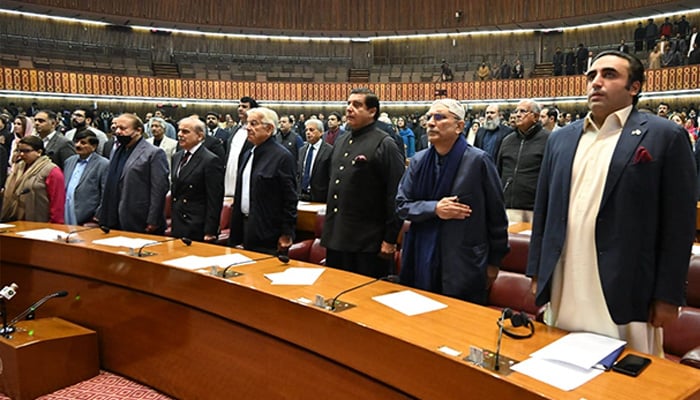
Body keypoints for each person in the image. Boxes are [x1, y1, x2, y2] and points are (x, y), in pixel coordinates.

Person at [527, 51, 696, 356]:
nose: (596, 82)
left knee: (630, 375)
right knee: (562, 364)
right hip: (566, 277)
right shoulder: (561, 139)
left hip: (627, 281)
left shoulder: (664, 136)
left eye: (609, 75)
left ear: (634, 87)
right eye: (591, 76)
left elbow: (679, 225)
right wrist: (538, 270)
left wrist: (669, 294)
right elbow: (544, 210)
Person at [396, 99, 509, 304]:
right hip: (421, 255)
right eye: (429, 117)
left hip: (462, 261)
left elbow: (497, 216)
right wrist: (434, 208)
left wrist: (494, 263)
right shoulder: (419, 161)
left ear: (459, 126)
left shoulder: (478, 161)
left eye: (439, 117)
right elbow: (402, 205)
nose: (431, 122)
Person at [321, 88, 405, 278]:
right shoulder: (341, 141)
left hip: (367, 243)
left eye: (357, 105)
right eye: (348, 104)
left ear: (372, 111)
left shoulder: (385, 143)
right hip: (336, 236)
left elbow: (395, 195)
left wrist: (390, 239)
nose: (349, 109)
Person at [229, 107, 297, 254]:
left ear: (269, 128)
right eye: (247, 123)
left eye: (254, 124)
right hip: (244, 226)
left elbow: (290, 198)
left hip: (267, 231)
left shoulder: (282, 157)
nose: (248, 128)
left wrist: (287, 232)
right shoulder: (248, 154)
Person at [98, 113, 169, 235]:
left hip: (139, 217)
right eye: (116, 128)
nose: (118, 132)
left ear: (138, 131)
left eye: (123, 129)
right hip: (114, 214)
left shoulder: (154, 153)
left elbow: (159, 189)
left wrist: (153, 219)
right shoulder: (117, 151)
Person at [170, 117, 224, 242]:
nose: (179, 135)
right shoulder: (177, 157)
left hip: (196, 224)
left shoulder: (210, 160)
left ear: (200, 136)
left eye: (185, 132)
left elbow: (214, 199)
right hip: (178, 221)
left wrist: (210, 230)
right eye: (179, 131)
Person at [497, 99, 550, 222]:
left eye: (523, 111)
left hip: (535, 209)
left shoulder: (548, 140)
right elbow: (498, 171)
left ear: (536, 117)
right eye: (516, 111)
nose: (518, 115)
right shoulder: (507, 141)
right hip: (508, 207)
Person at [1, 136, 65, 223]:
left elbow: (57, 203)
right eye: (20, 151)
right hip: (14, 220)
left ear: (39, 152)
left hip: (40, 223)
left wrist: (54, 225)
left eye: (26, 151)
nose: (22, 154)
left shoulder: (52, 171)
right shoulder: (18, 167)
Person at [63, 131, 109, 225]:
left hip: (87, 217)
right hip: (66, 212)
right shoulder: (69, 161)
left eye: (83, 143)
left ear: (94, 146)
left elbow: (106, 194)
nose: (78, 145)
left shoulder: (103, 164)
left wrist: (97, 216)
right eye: (76, 142)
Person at [223, 97, 257, 198]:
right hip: (229, 173)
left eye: (244, 107)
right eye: (239, 106)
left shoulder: (255, 131)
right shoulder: (234, 129)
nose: (240, 109)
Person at [297, 119, 332, 202]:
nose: (308, 133)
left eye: (311, 130)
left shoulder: (329, 150)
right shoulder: (302, 150)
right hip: (301, 195)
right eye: (306, 130)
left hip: (320, 196)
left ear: (321, 132)